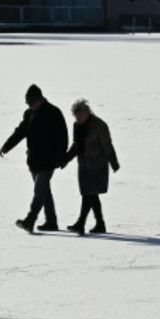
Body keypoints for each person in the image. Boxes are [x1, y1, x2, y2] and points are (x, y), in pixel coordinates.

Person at [0, 83, 68, 233]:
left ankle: (30, 220)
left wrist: (62, 158)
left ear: (40, 99)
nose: (29, 106)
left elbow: (63, 137)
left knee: (39, 190)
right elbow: (21, 131)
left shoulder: (53, 113)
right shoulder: (28, 114)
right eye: (27, 103)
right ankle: (51, 222)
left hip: (49, 161)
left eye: (31, 102)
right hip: (34, 160)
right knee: (44, 191)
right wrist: (7, 145)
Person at [59, 98, 120, 235]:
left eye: (80, 115)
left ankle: (81, 223)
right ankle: (100, 224)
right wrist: (66, 160)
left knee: (89, 195)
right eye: (76, 116)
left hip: (98, 167)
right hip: (84, 166)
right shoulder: (77, 126)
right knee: (91, 195)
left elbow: (107, 145)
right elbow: (76, 145)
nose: (78, 118)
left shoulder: (99, 125)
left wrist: (114, 162)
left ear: (87, 112)